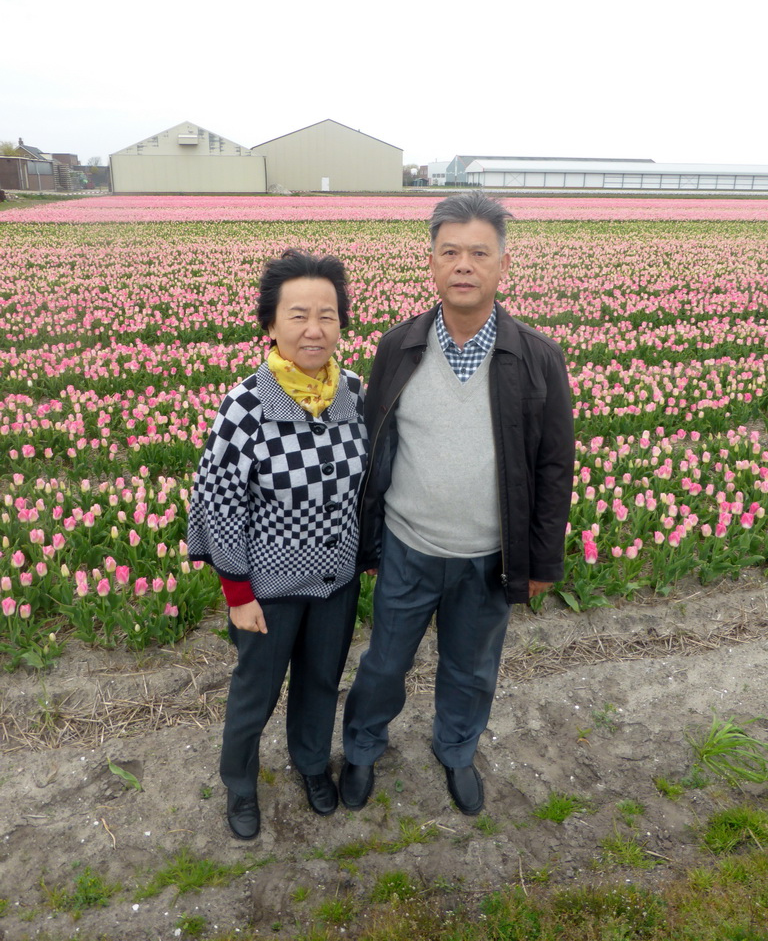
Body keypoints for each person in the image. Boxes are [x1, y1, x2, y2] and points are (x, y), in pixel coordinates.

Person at [340, 192, 574, 816]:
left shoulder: (537, 359)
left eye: (479, 252)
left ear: (502, 264)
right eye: (451, 253)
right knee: (385, 662)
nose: (463, 265)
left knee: (470, 670)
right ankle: (362, 748)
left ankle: (456, 750)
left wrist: (543, 561)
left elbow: (554, 466)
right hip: (409, 548)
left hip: (488, 558)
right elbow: (374, 442)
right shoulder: (399, 347)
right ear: (432, 264)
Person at [187, 249, 368, 840]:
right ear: (271, 325)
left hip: (334, 583)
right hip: (266, 591)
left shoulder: (355, 397)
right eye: (297, 315)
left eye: (327, 314)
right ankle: (240, 785)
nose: (314, 329)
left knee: (321, 682)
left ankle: (312, 765)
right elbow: (218, 501)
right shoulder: (246, 407)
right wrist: (237, 592)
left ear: (342, 322)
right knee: (254, 693)